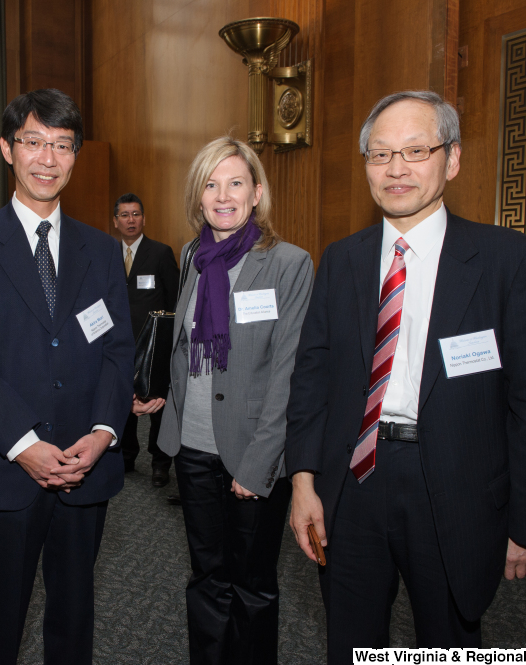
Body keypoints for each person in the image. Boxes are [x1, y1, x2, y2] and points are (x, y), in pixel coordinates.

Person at [285, 90, 526, 658]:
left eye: (416, 150)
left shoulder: (512, 262)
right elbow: (312, 377)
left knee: (448, 642)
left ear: (452, 159)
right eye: (380, 153)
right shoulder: (342, 258)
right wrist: (303, 481)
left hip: (456, 488)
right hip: (353, 480)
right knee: (350, 640)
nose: (396, 169)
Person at [0, 89, 134, 665]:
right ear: (6, 149)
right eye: (34, 142)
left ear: (75, 156)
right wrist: (25, 446)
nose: (48, 158)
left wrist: (101, 435)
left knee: (74, 614)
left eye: (62, 146)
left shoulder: (102, 250)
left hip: (83, 464)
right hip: (5, 466)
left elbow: (118, 352)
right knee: (1, 615)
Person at [156, 136, 313, 664]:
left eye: (236, 183)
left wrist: (260, 461)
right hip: (193, 446)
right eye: (211, 183)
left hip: (252, 452)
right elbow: (182, 345)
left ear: (257, 193)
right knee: (206, 577)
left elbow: (288, 372)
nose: (223, 195)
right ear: (198, 196)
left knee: (251, 584)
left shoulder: (289, 264)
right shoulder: (191, 257)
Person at [113, 192, 179, 486]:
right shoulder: (106, 253)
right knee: (121, 399)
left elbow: (175, 297)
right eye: (125, 215)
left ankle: (160, 462)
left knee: (156, 405)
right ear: (116, 221)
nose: (131, 220)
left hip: (153, 344)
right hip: (118, 342)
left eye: (136, 214)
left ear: (144, 219)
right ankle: (126, 456)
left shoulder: (160, 252)